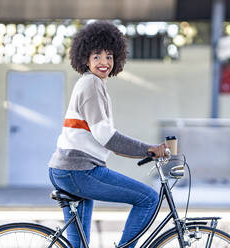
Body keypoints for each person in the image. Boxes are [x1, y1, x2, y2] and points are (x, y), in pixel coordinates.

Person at [48, 20, 168, 248]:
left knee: (78, 244)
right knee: (148, 198)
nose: (104, 62)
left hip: (68, 169)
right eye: (97, 56)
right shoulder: (91, 85)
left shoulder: (91, 84)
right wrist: (148, 149)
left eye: (109, 56)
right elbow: (106, 137)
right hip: (79, 171)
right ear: (85, 58)